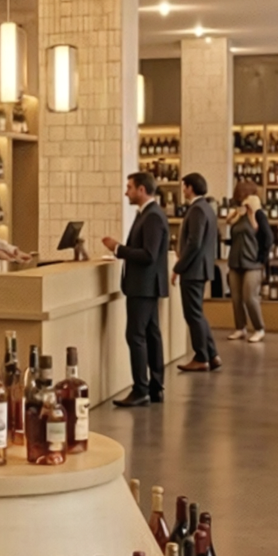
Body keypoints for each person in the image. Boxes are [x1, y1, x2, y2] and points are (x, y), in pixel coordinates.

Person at [101, 171, 171, 406]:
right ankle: (155, 387)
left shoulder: (151, 216)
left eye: (129, 187)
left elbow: (148, 254)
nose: (126, 192)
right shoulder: (149, 214)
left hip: (143, 286)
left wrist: (118, 248)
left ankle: (141, 389)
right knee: (151, 335)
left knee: (136, 336)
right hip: (147, 285)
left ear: (142, 190)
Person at [174, 173, 221, 372]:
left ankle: (201, 357)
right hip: (201, 268)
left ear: (190, 187)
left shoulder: (197, 210)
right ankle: (212, 354)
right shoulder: (207, 208)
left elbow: (194, 243)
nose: (182, 190)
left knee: (192, 314)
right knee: (198, 313)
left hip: (194, 270)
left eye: (184, 186)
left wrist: (178, 267)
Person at [224, 182, 271, 342]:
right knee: (236, 297)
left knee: (249, 297)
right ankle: (240, 328)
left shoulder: (258, 215)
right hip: (235, 261)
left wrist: (251, 213)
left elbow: (262, 233)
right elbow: (232, 231)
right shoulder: (237, 215)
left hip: (253, 262)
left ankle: (259, 328)